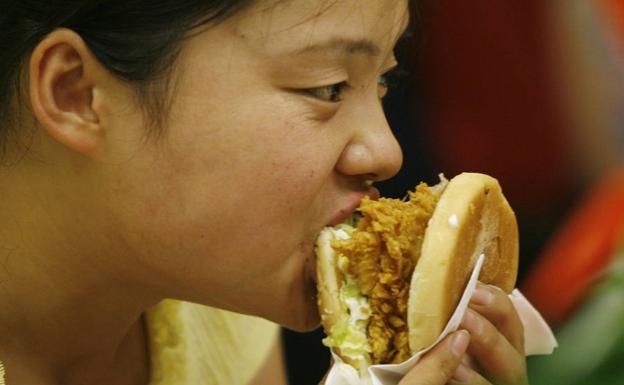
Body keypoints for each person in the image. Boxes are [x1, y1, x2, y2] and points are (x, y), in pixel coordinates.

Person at [0, 1, 528, 384]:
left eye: (383, 82)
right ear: (78, 94)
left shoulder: (216, 302)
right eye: (328, 86)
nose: (387, 151)